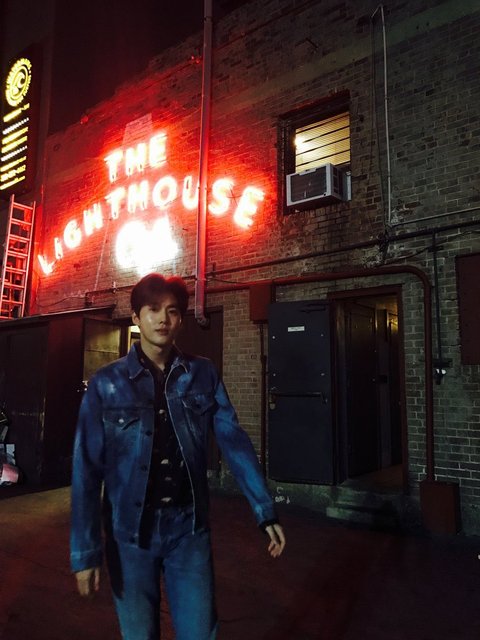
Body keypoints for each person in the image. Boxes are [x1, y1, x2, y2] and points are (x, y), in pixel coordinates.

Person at [70, 273, 286, 640]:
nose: (162, 319)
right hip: (130, 535)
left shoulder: (202, 374)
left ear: (181, 320)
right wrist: (85, 552)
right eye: (152, 309)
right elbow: (86, 470)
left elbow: (233, 440)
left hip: (188, 530)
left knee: (200, 632)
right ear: (136, 317)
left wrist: (264, 509)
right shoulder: (106, 384)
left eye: (172, 311)